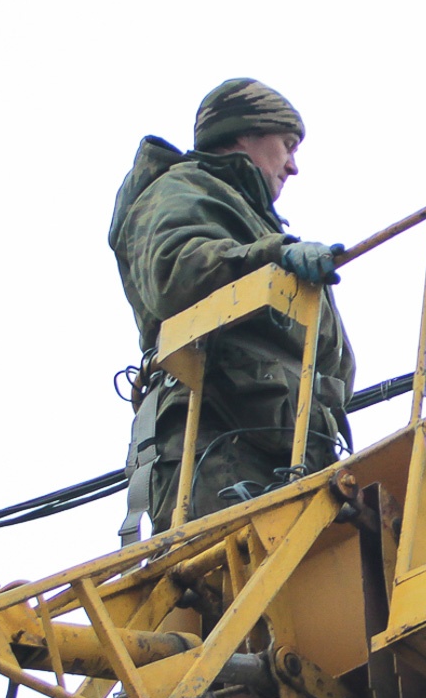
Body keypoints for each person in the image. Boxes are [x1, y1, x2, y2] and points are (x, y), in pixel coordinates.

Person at [109, 78, 356, 543]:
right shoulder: (183, 189)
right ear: (245, 134)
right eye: (287, 144)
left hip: (286, 445)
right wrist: (270, 256)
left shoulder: (248, 214)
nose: (294, 165)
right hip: (219, 443)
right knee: (227, 592)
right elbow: (173, 273)